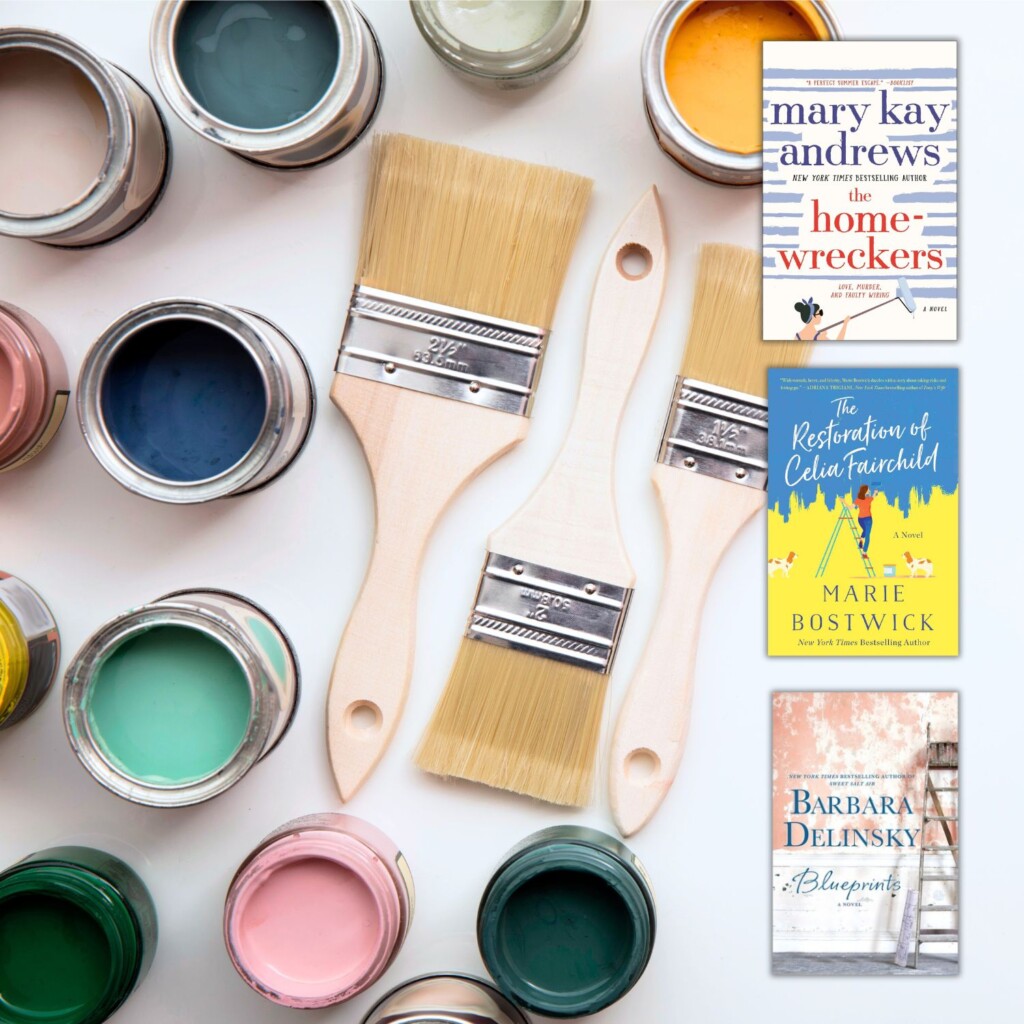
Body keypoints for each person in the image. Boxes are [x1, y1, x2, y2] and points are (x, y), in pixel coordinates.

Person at [853, 484, 877, 555]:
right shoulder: (868, 499)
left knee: (865, 531)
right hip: (868, 519)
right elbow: (873, 496)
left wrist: (844, 501)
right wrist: (875, 492)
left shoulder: (858, 500)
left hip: (860, 519)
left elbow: (851, 507)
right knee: (867, 535)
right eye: (868, 489)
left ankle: (861, 541)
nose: (869, 490)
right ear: (865, 491)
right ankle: (864, 552)